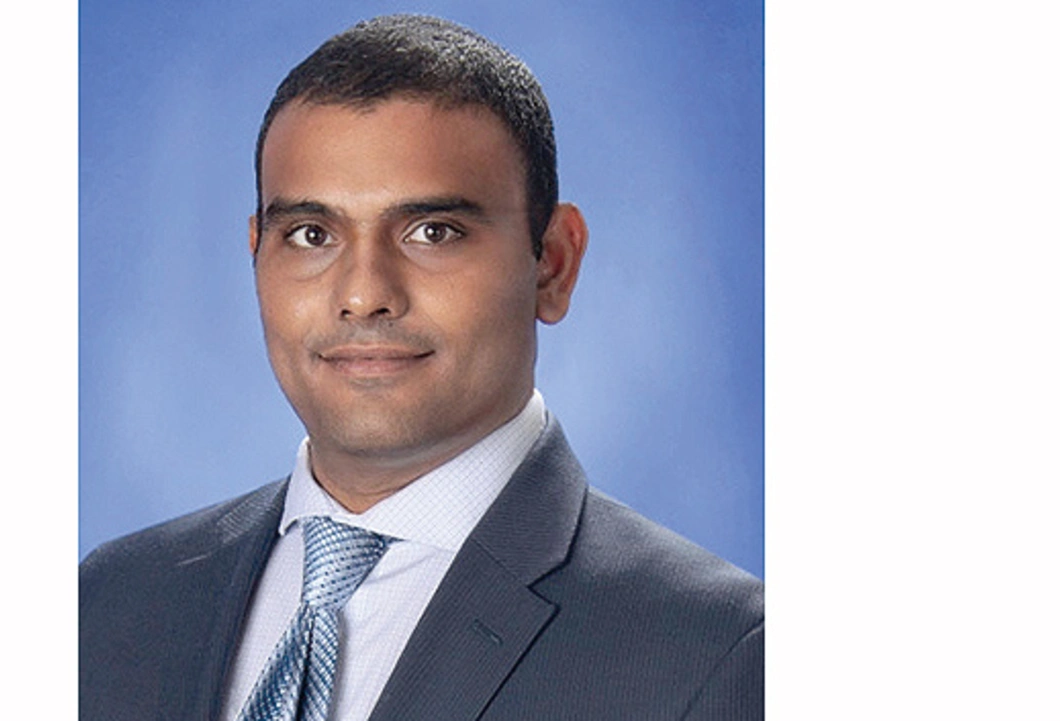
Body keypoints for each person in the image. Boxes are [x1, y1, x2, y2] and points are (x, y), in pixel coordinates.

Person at [80, 14, 762, 721]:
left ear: (553, 265)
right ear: (256, 253)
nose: (363, 293)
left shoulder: (721, 653)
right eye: (311, 234)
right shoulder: (110, 601)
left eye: (433, 232)